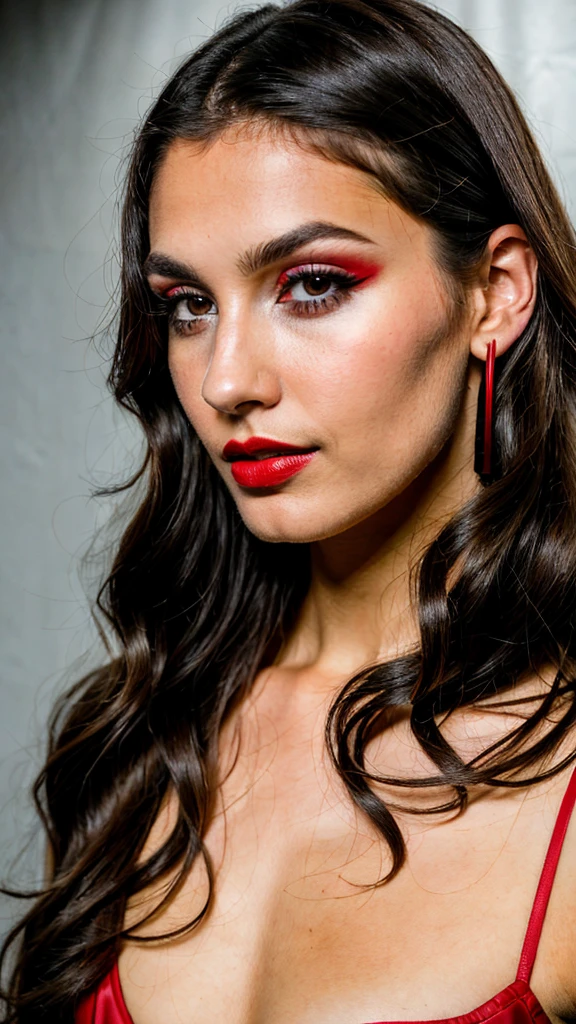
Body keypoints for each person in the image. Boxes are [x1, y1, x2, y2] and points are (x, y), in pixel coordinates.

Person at [3, 0, 576, 1020]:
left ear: (495, 293)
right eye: (188, 304)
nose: (226, 380)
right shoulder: (142, 735)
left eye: (311, 284)